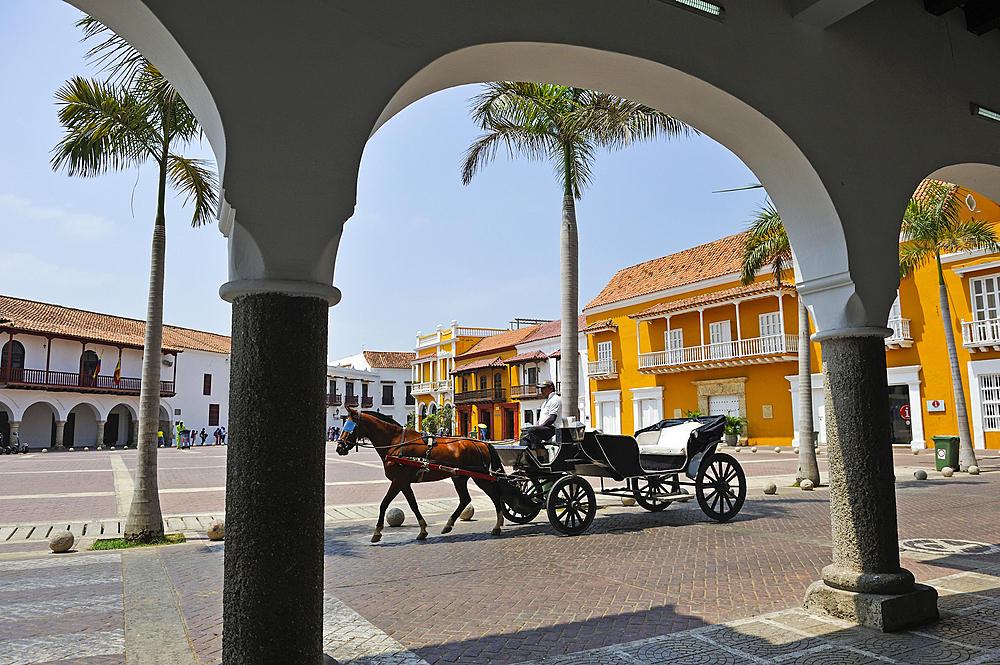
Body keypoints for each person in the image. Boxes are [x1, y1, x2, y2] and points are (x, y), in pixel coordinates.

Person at [520, 381, 561, 461]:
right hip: (544, 428)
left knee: (533, 431)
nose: (541, 391)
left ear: (550, 389)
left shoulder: (555, 399)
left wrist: (538, 427)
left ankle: (540, 457)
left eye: (543, 388)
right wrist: (535, 426)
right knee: (525, 433)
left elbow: (552, 418)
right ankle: (525, 458)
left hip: (553, 429)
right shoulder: (545, 403)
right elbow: (541, 419)